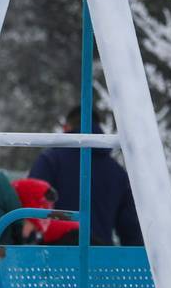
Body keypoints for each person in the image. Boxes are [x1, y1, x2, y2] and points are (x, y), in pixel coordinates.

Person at [29, 105, 143, 246]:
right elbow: (131, 230)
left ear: (66, 128)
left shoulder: (50, 161)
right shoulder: (118, 173)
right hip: (100, 260)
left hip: (52, 257)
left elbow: (31, 208)